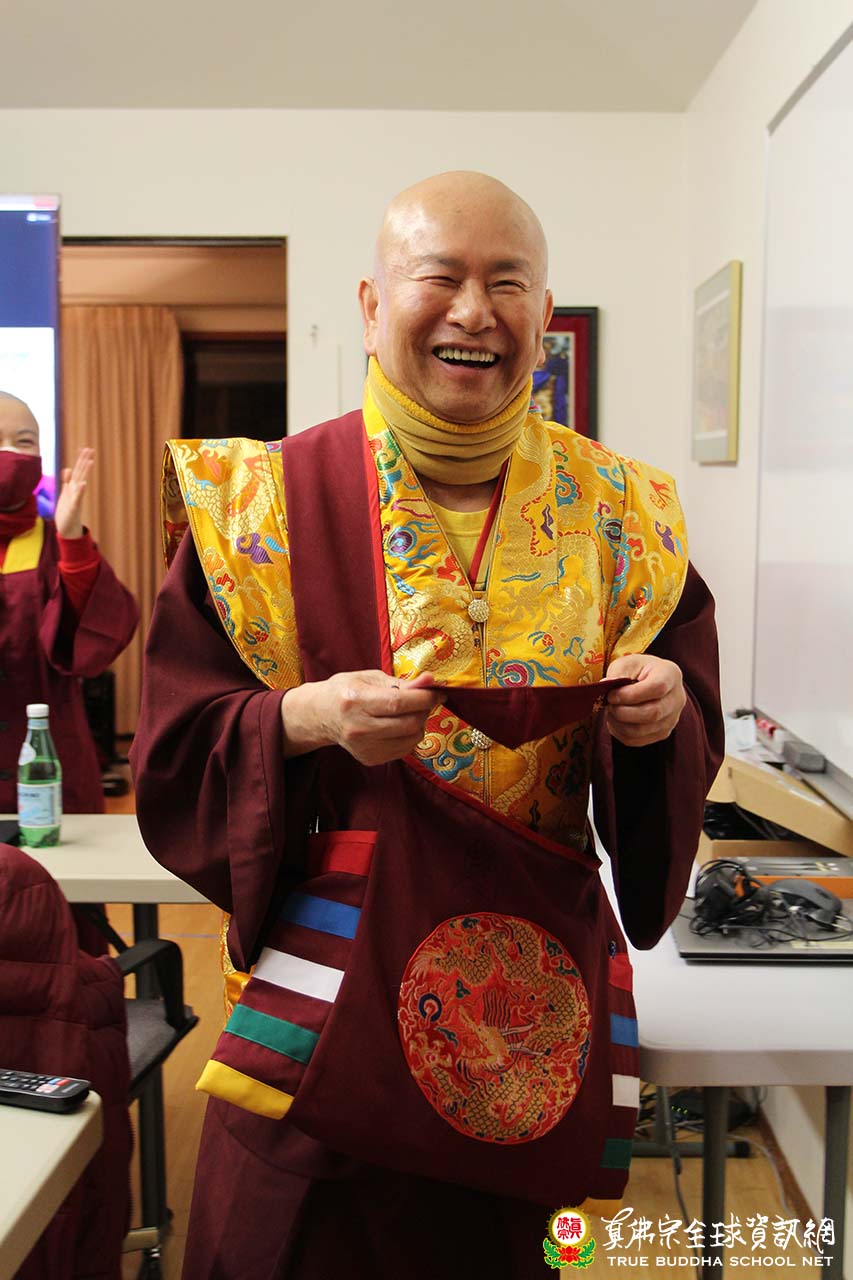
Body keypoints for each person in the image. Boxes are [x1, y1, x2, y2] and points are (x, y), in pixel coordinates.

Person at [131, 172, 724, 1279]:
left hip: (520, 1023)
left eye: (507, 283)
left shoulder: (623, 516)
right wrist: (301, 717)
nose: (472, 311)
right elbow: (173, 745)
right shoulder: (258, 502)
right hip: (321, 1016)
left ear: (543, 314)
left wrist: (659, 719)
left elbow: (682, 709)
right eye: (438, 277)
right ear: (370, 306)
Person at [0, 390, 138, 816]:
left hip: (50, 757)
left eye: (24, 441)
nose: (10, 453)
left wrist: (73, 539)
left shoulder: (54, 542)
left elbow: (89, 645)